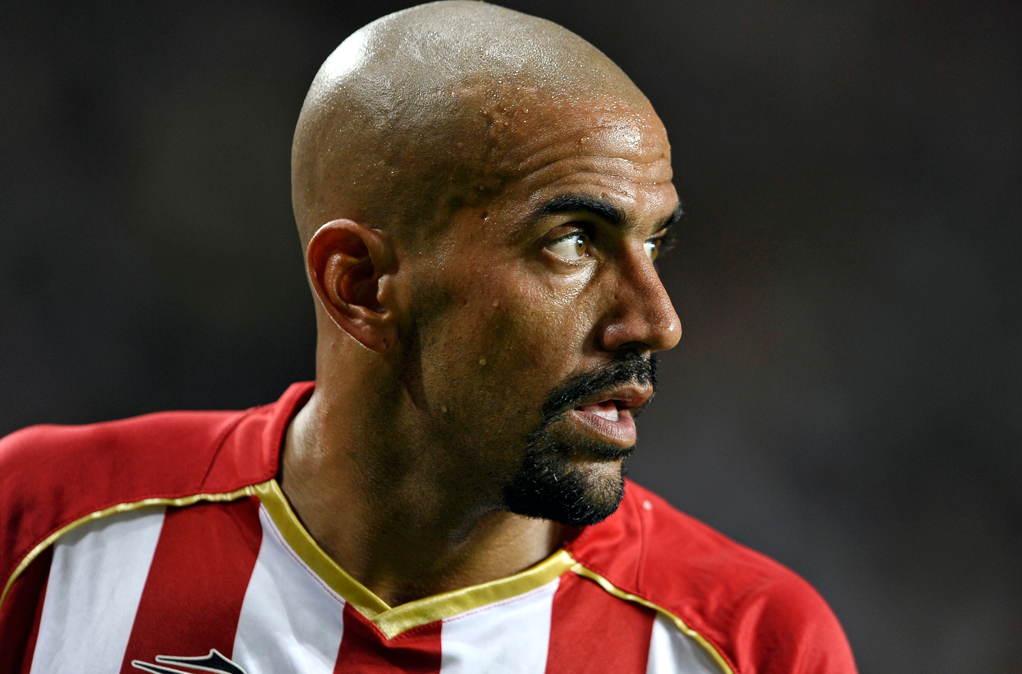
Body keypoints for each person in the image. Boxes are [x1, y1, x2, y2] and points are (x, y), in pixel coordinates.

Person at [0, 2, 856, 672]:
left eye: (654, 242)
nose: (658, 321)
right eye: (570, 241)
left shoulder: (751, 647)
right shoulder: (35, 527)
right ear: (361, 286)